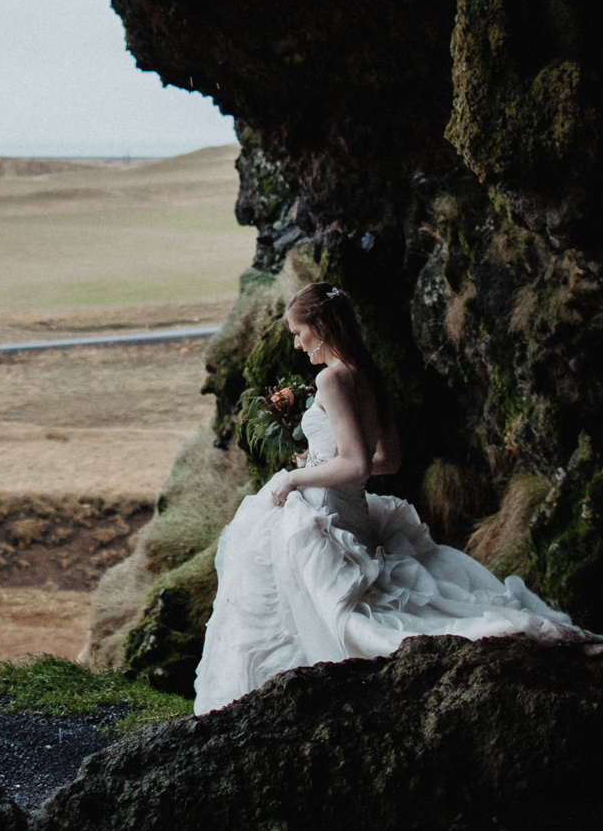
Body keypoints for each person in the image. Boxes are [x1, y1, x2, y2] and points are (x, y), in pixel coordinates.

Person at [191, 281, 577, 712]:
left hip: (330, 513)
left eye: (299, 333)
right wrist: (318, 463)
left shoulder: (332, 378)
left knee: (274, 563)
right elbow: (386, 460)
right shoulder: (367, 375)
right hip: (351, 509)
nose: (298, 346)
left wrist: (297, 480)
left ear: (319, 327)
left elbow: (356, 463)